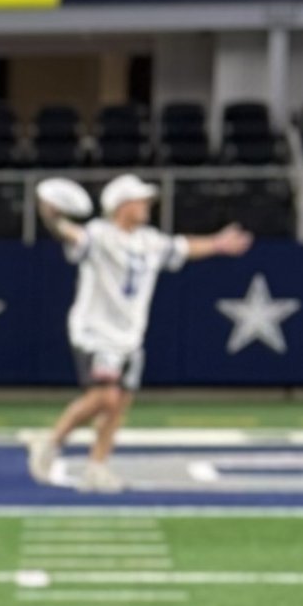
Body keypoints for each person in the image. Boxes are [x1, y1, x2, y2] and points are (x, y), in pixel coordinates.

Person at [30, 172, 252, 492]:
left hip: (129, 335)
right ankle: (50, 442)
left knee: (120, 403)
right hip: (95, 331)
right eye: (140, 199)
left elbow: (183, 247)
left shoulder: (149, 240)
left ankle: (97, 466)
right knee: (105, 395)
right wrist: (50, 217)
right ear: (122, 205)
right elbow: (70, 234)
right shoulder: (100, 234)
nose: (147, 204)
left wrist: (217, 244)